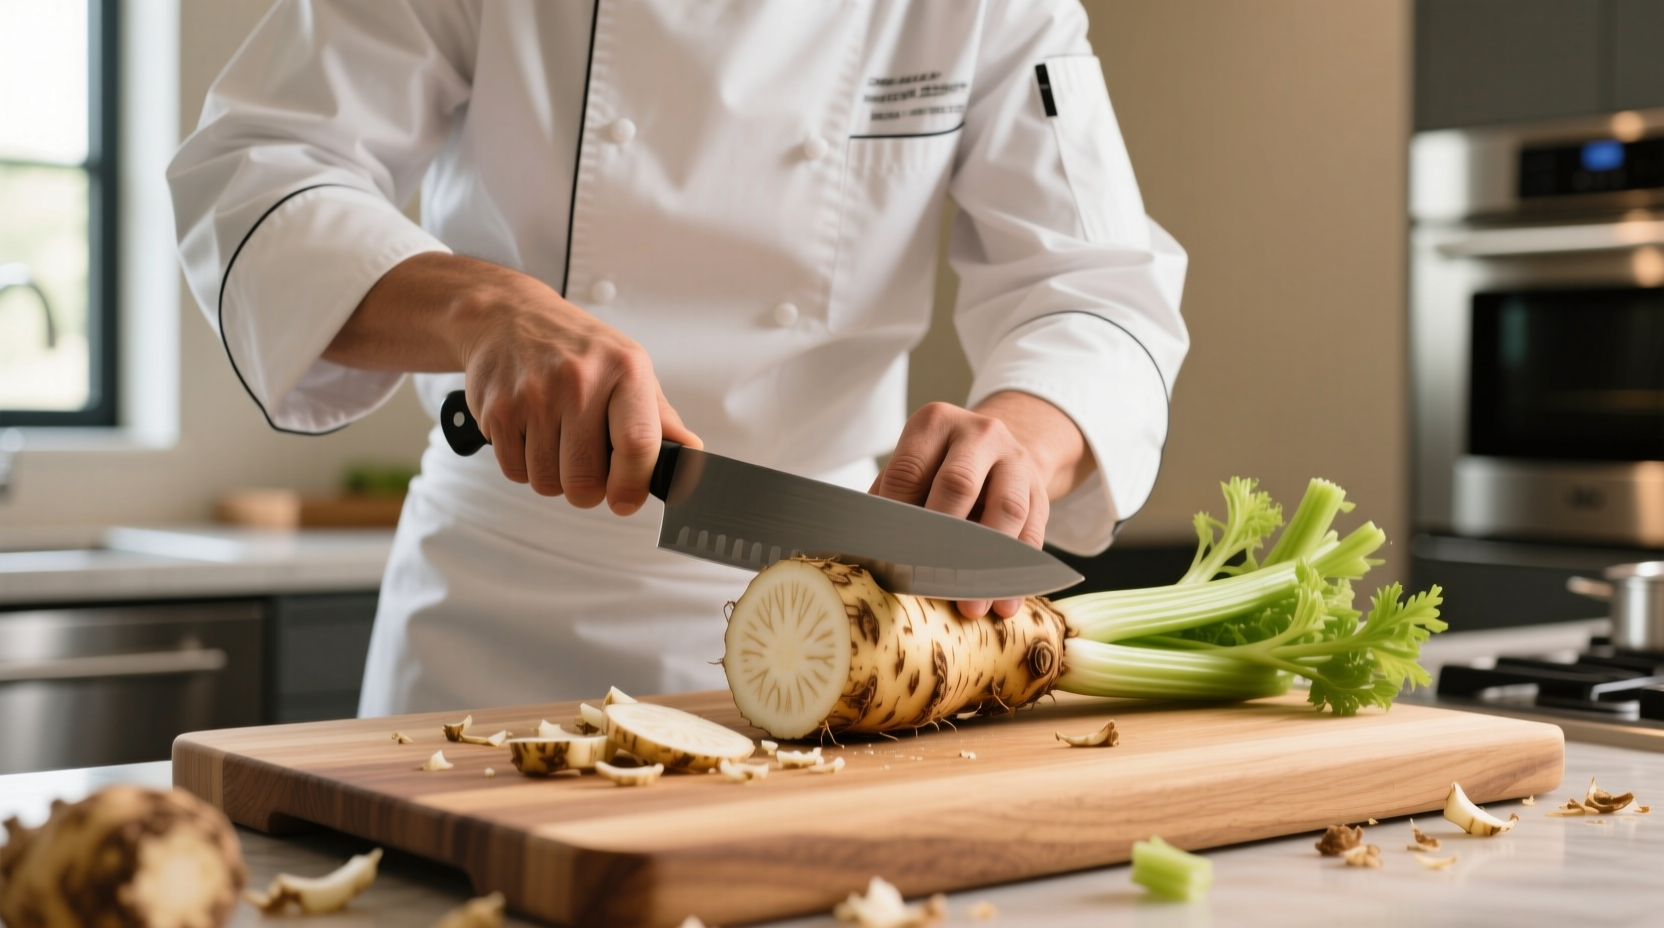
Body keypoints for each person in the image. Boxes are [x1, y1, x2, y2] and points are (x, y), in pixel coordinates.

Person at [169, 0, 1189, 717]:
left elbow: (1095, 282)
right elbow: (254, 175)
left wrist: (1015, 439)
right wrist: (487, 309)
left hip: (838, 630)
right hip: (495, 623)